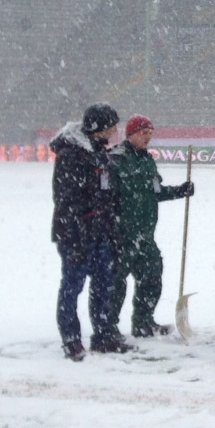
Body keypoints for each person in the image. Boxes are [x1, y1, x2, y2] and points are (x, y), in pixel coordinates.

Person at [52, 103, 127, 359]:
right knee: (72, 287)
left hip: (101, 233)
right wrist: (76, 238)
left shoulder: (100, 153)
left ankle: (104, 336)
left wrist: (112, 232)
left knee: (104, 287)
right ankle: (71, 340)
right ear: (99, 127)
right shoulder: (71, 155)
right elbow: (66, 201)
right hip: (77, 235)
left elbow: (106, 199)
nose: (117, 130)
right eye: (113, 125)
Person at [109, 115, 194, 339]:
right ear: (130, 134)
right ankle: (109, 327)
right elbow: (106, 197)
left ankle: (143, 323)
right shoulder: (116, 160)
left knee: (152, 277)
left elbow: (156, 192)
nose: (147, 137)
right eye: (143, 133)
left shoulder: (147, 160)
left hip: (145, 235)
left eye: (150, 133)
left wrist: (180, 191)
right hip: (121, 234)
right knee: (116, 284)